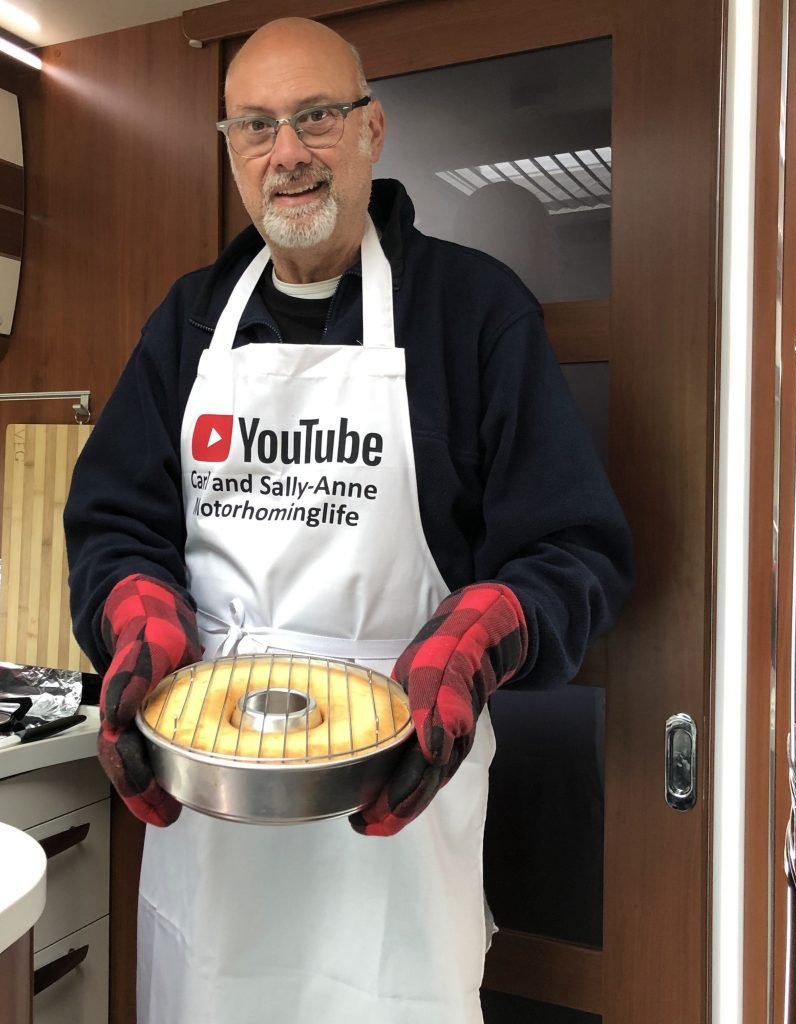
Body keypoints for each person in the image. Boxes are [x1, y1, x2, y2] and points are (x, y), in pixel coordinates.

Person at [63, 16, 632, 1024]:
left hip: (400, 781)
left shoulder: (475, 313)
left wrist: (473, 638)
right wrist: (134, 615)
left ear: (371, 130)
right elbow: (113, 521)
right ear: (232, 151)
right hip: (215, 796)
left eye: (316, 117)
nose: (287, 152)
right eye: (255, 126)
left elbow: (573, 548)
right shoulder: (186, 322)